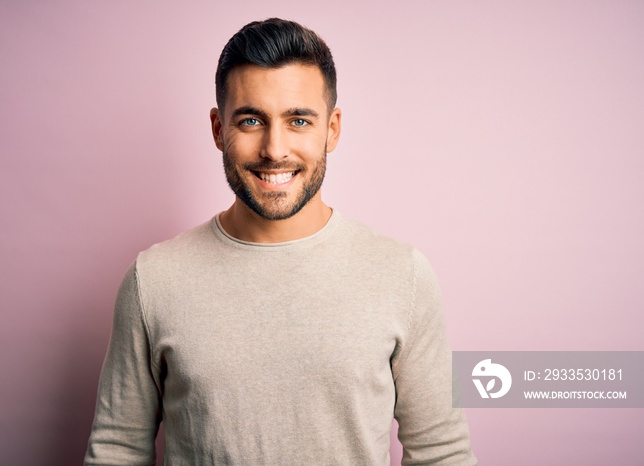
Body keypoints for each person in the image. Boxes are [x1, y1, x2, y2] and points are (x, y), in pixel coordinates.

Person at [85, 18, 476, 466]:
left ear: (332, 129)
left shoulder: (402, 275)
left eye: (298, 120)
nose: (275, 148)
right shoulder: (152, 281)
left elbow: (442, 453)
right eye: (251, 120)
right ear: (218, 130)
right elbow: (116, 452)